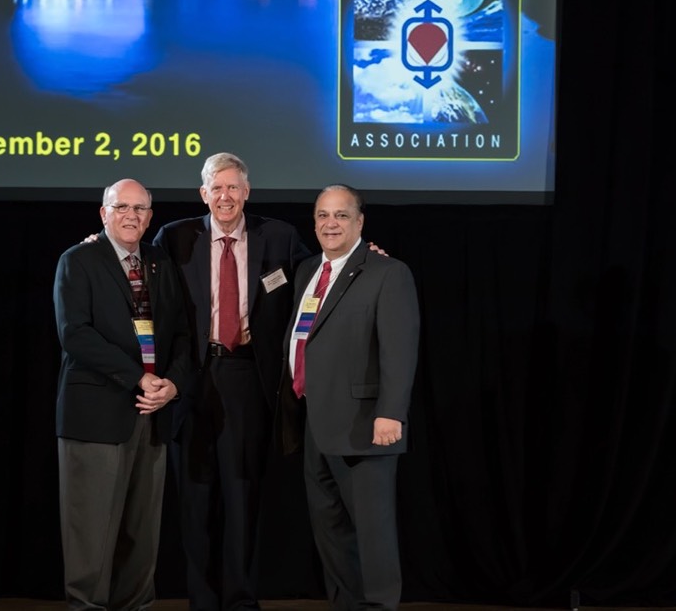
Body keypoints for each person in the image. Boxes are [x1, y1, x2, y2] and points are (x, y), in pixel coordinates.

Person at [152, 153, 312, 611]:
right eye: (215, 188)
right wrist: (98, 245)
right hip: (192, 378)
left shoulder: (278, 237)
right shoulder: (175, 237)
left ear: (247, 191)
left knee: (243, 496)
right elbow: (137, 271)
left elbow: (319, 277)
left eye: (233, 187)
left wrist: (362, 255)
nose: (224, 196)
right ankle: (202, 600)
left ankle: (241, 600)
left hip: (246, 377)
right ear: (203, 194)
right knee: (195, 499)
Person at [53, 178, 193, 611]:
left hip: (153, 415)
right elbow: (75, 335)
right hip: (97, 413)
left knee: (143, 533)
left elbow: (183, 333)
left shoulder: (159, 262)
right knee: (90, 536)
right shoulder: (78, 259)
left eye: (140, 209)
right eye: (122, 207)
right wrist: (137, 377)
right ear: (103, 213)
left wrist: (172, 383)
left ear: (151, 217)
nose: (131, 216)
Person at [278, 184, 420, 611]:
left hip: (365, 425)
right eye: (323, 215)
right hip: (315, 424)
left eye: (341, 215)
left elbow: (399, 347)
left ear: (360, 222)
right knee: (331, 532)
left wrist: (391, 413)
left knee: (373, 535)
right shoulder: (307, 271)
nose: (330, 223)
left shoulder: (387, 272)